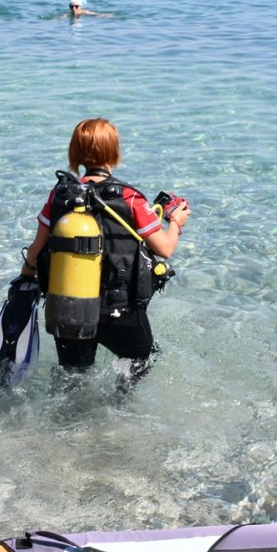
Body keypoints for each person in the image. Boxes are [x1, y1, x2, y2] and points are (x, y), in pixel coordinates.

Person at [19, 118, 190, 385]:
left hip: (68, 309)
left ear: (74, 154)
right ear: (114, 153)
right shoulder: (130, 198)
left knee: (72, 378)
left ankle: (65, 422)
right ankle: (119, 405)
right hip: (119, 311)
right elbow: (165, 249)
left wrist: (24, 282)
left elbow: (35, 251)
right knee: (144, 358)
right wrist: (177, 222)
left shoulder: (60, 196)